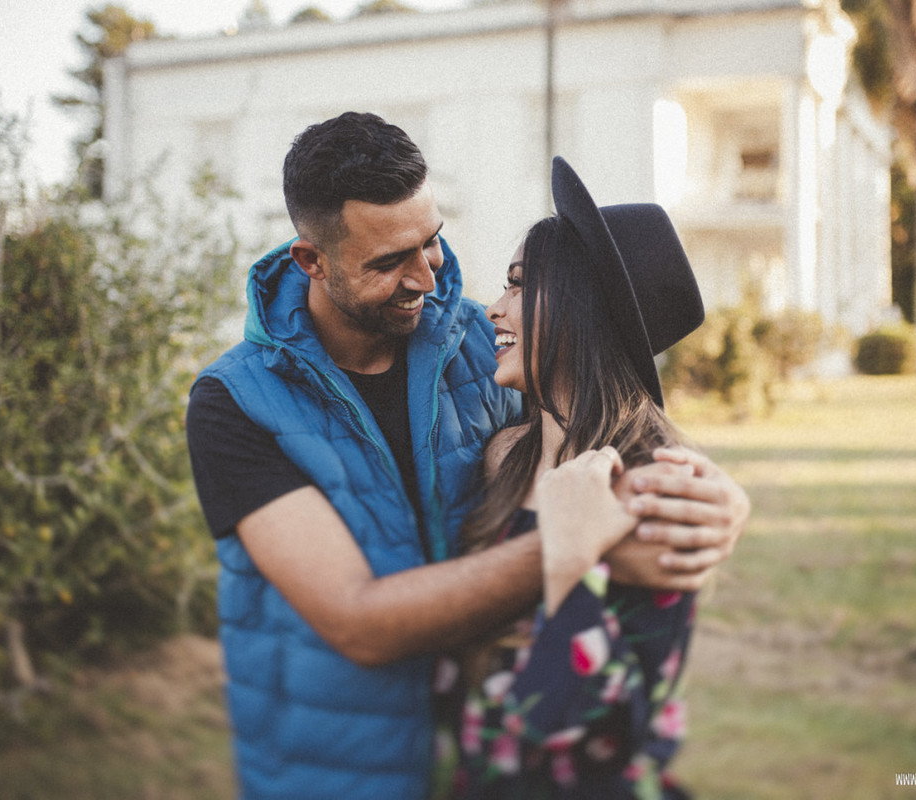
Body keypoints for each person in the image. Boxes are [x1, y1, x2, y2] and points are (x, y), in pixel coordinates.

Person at [185, 112, 749, 799]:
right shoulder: (235, 402)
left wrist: (715, 495)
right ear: (313, 261)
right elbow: (357, 620)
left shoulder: (478, 345)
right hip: (339, 772)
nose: (427, 277)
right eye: (391, 262)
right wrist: (573, 543)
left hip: (485, 767)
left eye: (433, 241)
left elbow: (595, 419)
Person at [431, 158, 711, 799]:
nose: (492, 310)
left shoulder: (654, 487)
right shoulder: (502, 455)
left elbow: (594, 738)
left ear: (581, 308)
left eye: (518, 286)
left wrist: (572, 563)